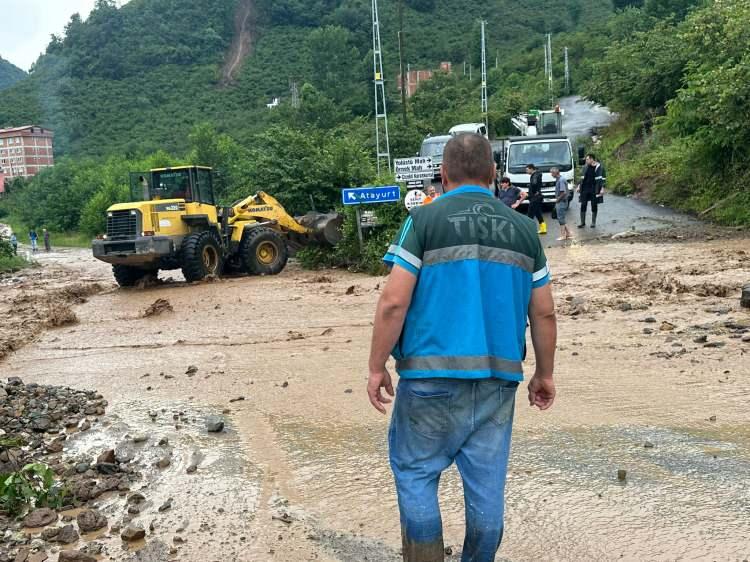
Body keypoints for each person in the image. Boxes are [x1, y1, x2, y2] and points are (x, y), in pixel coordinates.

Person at [369, 133, 557, 562]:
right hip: (498, 382)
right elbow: (544, 313)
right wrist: (543, 375)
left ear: (443, 174)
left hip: (428, 378)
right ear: (493, 175)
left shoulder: (423, 221)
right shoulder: (525, 230)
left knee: (416, 474)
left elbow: (394, 301)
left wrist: (376, 365)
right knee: (487, 489)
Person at [577, 153, 606, 228]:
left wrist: (602, 188)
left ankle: (593, 222)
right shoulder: (585, 167)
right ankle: (582, 222)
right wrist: (579, 186)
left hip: (594, 189)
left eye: (587, 159)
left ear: (592, 159)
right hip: (585, 189)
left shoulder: (600, 167)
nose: (586, 161)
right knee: (583, 205)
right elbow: (582, 178)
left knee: (594, 204)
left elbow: (603, 179)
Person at [551, 167, 572, 241]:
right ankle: (568, 234)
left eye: (552, 173)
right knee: (561, 218)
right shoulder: (559, 179)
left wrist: (557, 200)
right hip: (561, 201)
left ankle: (563, 236)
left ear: (555, 173)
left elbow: (563, 192)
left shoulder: (561, 180)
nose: (551, 174)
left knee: (561, 219)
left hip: (561, 202)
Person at [526, 164, 546, 235]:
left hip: (535, 197)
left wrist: (533, 193)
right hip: (537, 197)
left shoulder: (535, 175)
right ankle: (543, 228)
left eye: (527, 170)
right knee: (538, 213)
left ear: (531, 169)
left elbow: (534, 184)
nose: (526, 171)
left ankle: (529, 230)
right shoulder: (537, 174)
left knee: (530, 214)